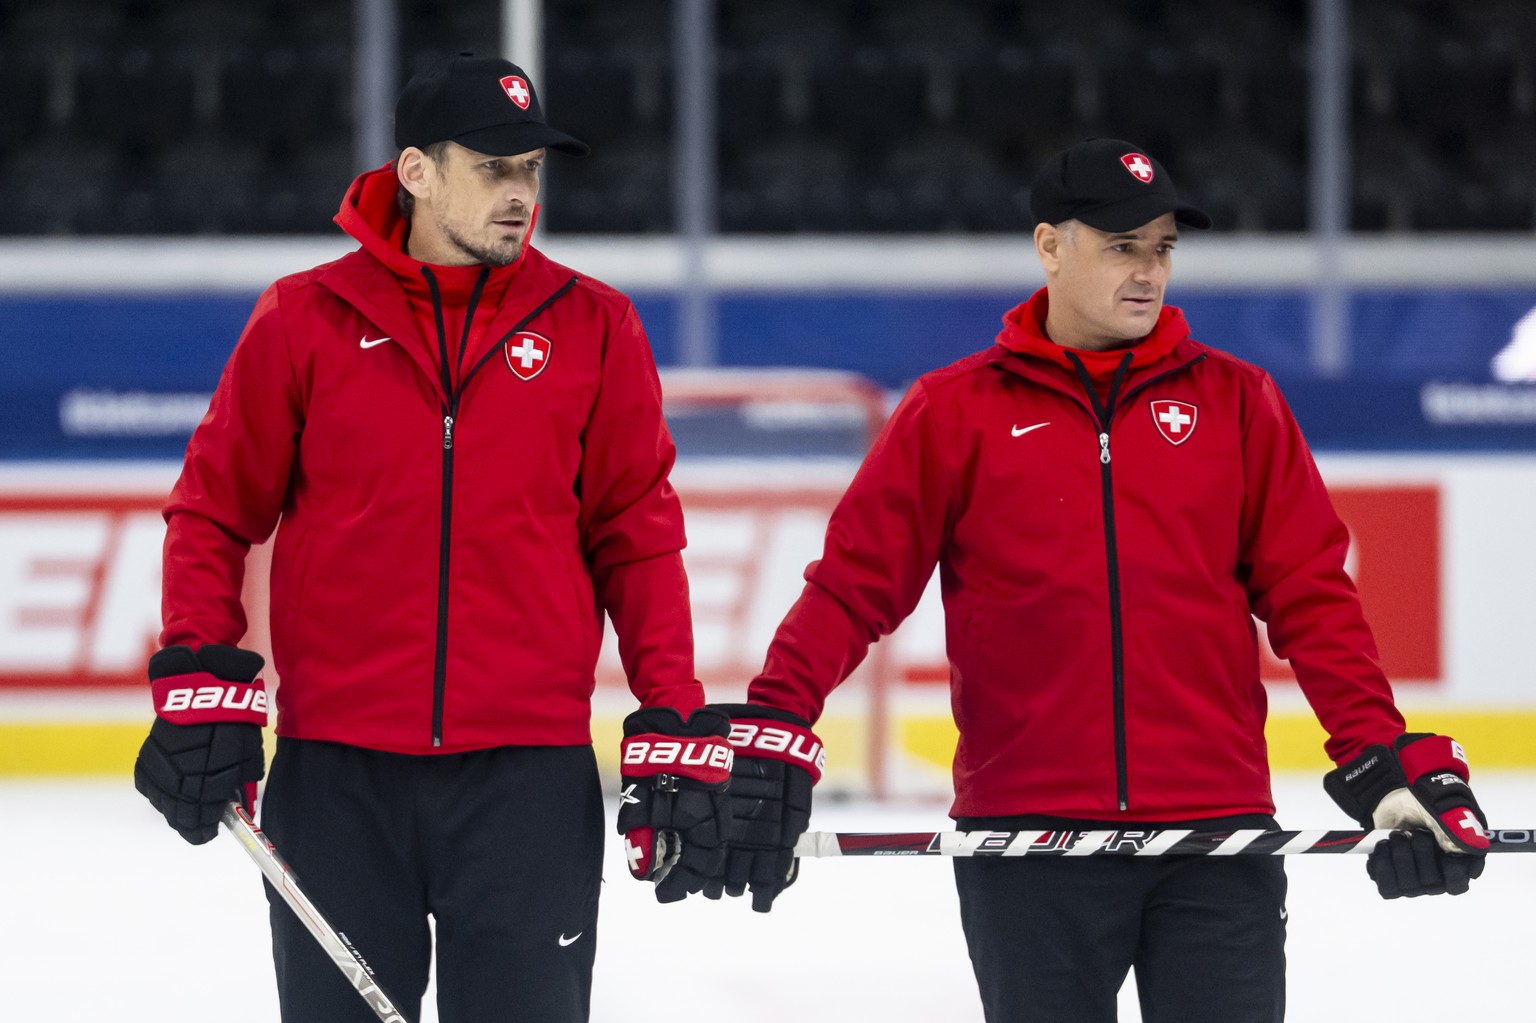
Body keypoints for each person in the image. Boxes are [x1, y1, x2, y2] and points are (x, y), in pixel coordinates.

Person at [700, 138, 1492, 1021]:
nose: (1148, 271)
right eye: (1122, 246)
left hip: (1214, 832)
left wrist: (1378, 758)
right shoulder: (954, 409)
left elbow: (1313, 597)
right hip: (1025, 839)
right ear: (1050, 246)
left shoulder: (1238, 401)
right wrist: (776, 720)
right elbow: (853, 587)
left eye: (1162, 248)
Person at [133, 52, 732, 1023]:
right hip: (337, 781)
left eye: (531, 168)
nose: (520, 192)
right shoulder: (304, 318)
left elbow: (639, 539)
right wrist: (200, 668)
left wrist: (670, 711)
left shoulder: (595, 326)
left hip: (528, 786)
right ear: (416, 171)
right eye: (493, 167)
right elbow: (212, 510)